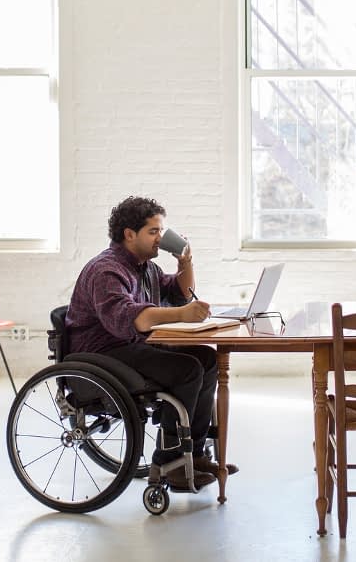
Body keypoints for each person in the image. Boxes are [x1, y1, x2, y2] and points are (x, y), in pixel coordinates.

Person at [66, 196, 239, 491]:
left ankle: (194, 455)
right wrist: (182, 315)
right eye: (154, 232)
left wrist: (186, 261)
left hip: (130, 346)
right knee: (185, 370)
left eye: (162, 231)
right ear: (129, 234)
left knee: (206, 359)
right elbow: (130, 319)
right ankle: (171, 462)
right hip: (103, 351)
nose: (160, 238)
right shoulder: (107, 270)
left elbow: (180, 292)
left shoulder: (146, 267)